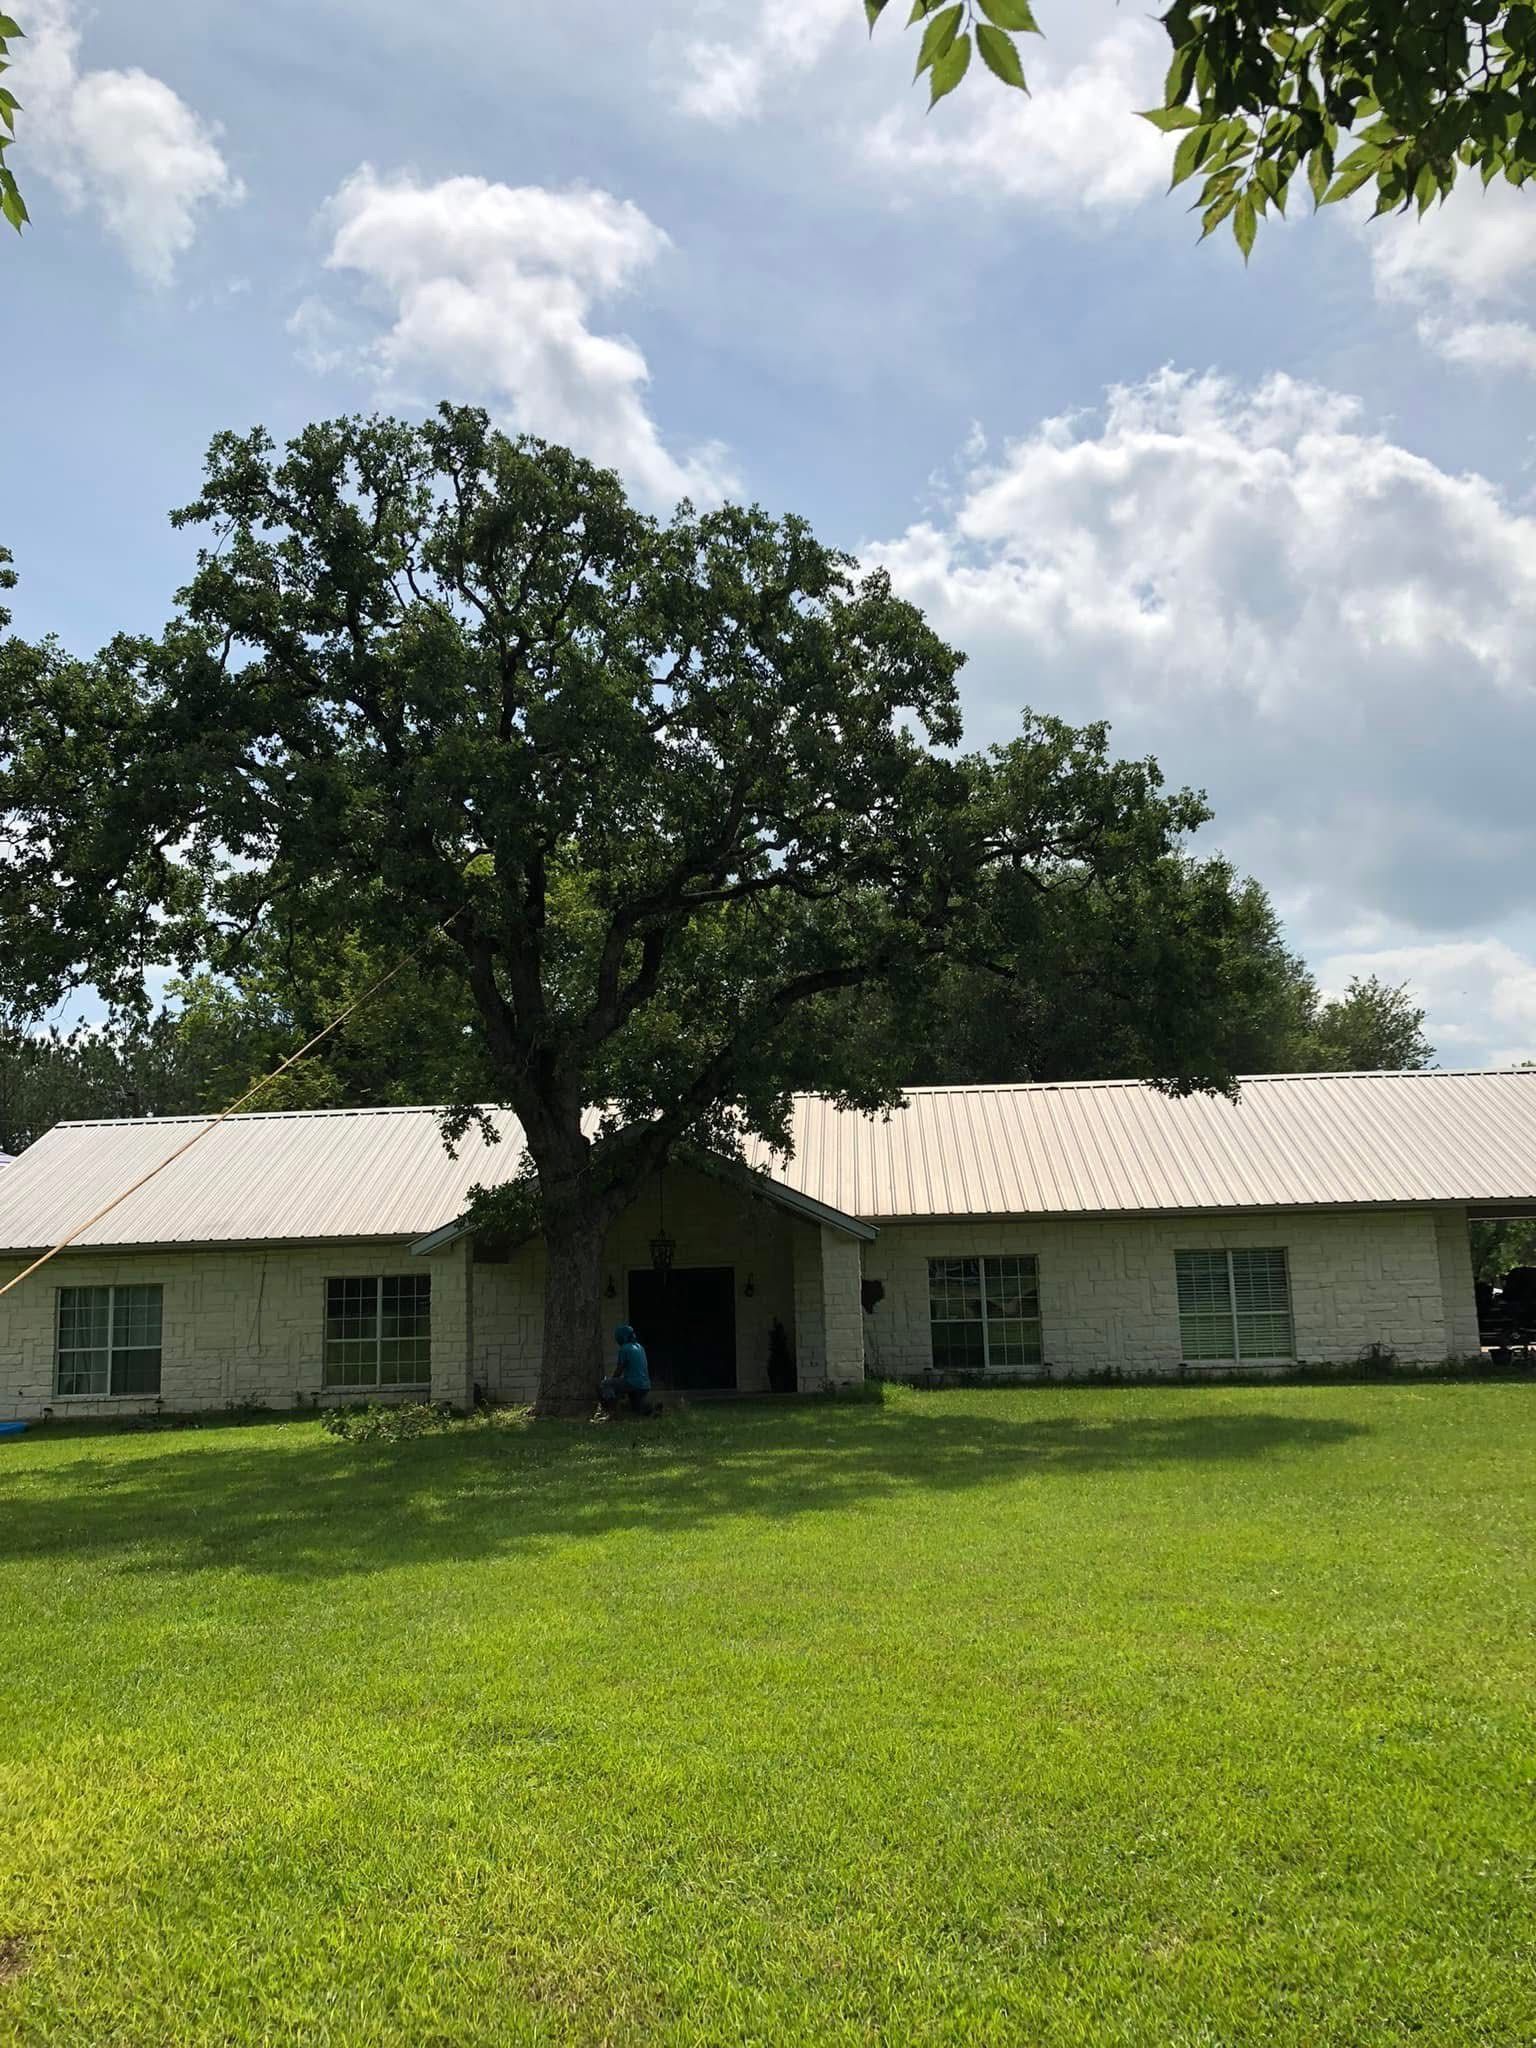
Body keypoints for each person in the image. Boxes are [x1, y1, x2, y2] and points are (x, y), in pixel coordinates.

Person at [600, 1322, 655, 1418]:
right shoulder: (640, 1347)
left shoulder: (625, 1349)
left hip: (633, 1383)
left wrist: (612, 1381)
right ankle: (649, 1410)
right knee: (637, 1409)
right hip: (645, 1384)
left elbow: (619, 1369)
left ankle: (610, 1411)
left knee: (606, 1384)